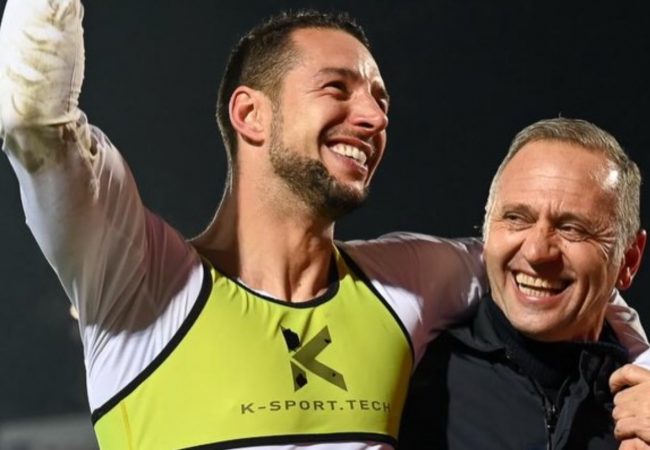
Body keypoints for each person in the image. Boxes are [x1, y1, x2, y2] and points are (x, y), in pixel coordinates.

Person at [0, 1, 647, 449]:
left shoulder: (407, 284)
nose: (374, 116)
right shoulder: (140, 282)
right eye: (338, 88)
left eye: (380, 99)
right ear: (250, 115)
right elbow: (36, 122)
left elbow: (560, 269)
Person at [399, 118, 648, 449]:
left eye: (572, 228)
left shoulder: (639, 408)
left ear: (628, 260)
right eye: (516, 218)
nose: (536, 252)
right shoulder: (407, 378)